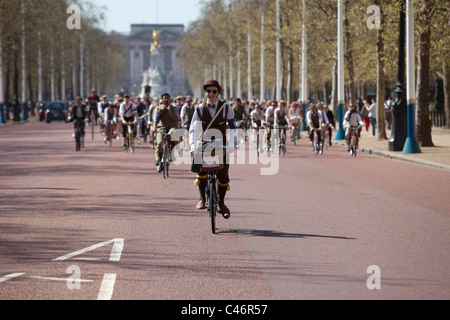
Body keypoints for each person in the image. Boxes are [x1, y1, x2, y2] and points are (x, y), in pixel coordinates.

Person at [189, 80, 235, 218]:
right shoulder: (199, 109)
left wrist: (232, 145)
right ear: (205, 93)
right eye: (208, 91)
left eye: (214, 91)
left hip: (222, 145)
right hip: (204, 144)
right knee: (200, 170)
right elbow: (193, 129)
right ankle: (202, 199)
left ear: (218, 93)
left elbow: (233, 129)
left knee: (223, 174)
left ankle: (221, 203)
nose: (211, 94)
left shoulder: (227, 109)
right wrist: (192, 146)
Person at [152, 93, 179, 172]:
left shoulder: (174, 108)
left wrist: (170, 110)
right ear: (162, 99)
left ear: (170, 99)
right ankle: (160, 160)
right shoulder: (158, 108)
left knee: (173, 133)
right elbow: (155, 119)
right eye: (164, 98)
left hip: (172, 126)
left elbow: (176, 119)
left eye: (167, 98)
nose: (166, 99)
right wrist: (154, 128)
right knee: (160, 143)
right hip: (162, 127)